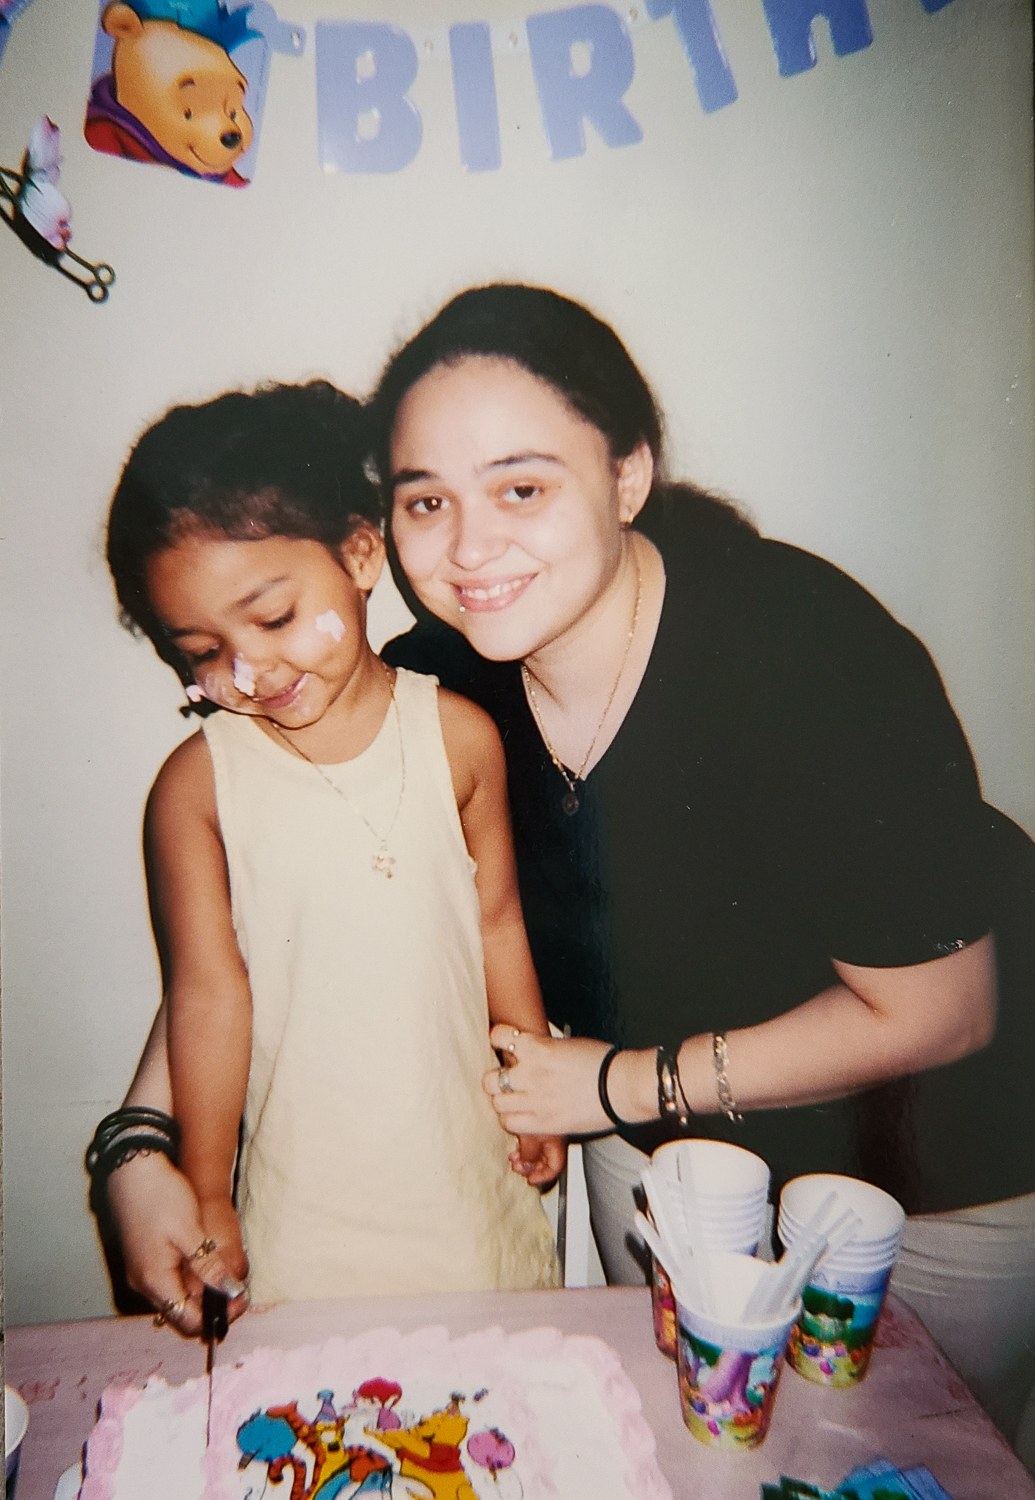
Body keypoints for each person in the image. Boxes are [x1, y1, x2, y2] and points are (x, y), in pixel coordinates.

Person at [100, 290, 1035, 1463]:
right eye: (427, 501)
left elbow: (947, 1007)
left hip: (921, 1193)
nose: (470, 547)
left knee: (894, 1472)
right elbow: (254, 925)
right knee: (683, 1466)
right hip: (660, 1166)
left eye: (522, 487)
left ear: (628, 473)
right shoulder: (446, 677)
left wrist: (612, 1090)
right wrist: (140, 1148)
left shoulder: (799, 649)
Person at [92, 379, 562, 1330]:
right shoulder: (196, 787)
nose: (249, 671)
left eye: (269, 619)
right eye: (202, 651)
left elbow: (497, 919)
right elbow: (207, 996)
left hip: (461, 1178)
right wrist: (209, 1187)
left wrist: (533, 1079)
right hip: (301, 1208)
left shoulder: (460, 736)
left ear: (357, 553)